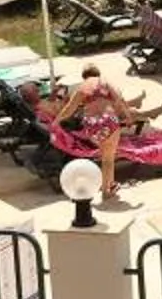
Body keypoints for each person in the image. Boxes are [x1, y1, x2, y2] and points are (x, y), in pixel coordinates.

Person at [58, 64, 140, 200]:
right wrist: (129, 117)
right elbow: (119, 99)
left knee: (104, 156)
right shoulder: (105, 83)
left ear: (84, 76)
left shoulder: (82, 87)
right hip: (108, 121)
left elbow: (69, 109)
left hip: (92, 124)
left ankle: (109, 184)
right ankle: (106, 190)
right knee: (109, 158)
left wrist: (56, 121)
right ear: (97, 73)